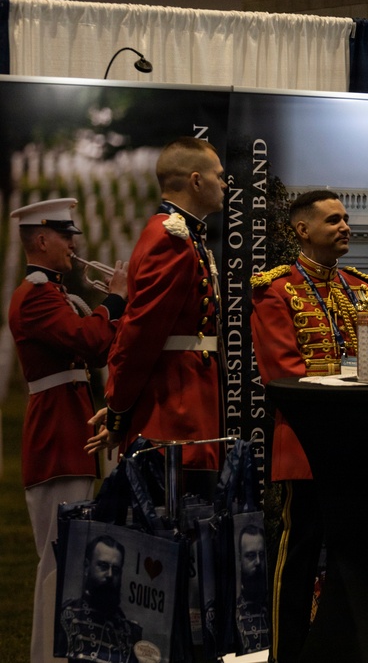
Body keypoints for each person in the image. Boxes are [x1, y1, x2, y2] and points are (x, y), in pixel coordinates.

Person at [250, 189, 368, 662]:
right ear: (303, 230)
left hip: (359, 444)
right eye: (333, 220)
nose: (345, 226)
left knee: (355, 558)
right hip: (305, 444)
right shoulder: (276, 288)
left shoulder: (364, 288)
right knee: (299, 556)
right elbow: (282, 373)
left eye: (346, 218)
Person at [7, 198, 127, 663]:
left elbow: (96, 353)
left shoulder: (54, 292)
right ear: (41, 239)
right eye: (66, 235)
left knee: (67, 557)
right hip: (55, 437)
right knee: (60, 559)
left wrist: (109, 311)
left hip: (67, 433)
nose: (75, 243)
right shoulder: (36, 294)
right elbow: (87, 341)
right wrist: (114, 299)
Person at [95, 137, 228, 494]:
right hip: (173, 411)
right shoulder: (169, 238)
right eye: (219, 176)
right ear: (196, 180)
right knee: (173, 529)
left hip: (189, 406)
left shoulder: (186, 236)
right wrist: (118, 409)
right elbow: (140, 333)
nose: (225, 184)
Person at [56, 534, 142, 662]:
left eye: (116, 570)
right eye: (103, 566)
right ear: (86, 567)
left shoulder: (131, 631)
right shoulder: (66, 616)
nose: (110, 575)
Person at [236, 524, 270, 652]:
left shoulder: (273, 607)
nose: (258, 562)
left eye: (261, 555)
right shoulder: (235, 612)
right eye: (250, 556)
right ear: (240, 560)